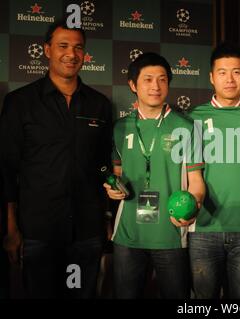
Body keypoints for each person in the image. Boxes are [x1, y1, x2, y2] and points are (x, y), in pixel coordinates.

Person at [0, 20, 112, 298]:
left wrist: (107, 220)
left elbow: (104, 167)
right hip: (38, 231)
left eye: (78, 48)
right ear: (47, 50)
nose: (71, 54)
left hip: (87, 232)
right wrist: (11, 228)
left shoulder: (99, 104)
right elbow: (6, 168)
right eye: (63, 46)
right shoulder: (19, 102)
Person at [104, 52, 205, 299]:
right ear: (132, 85)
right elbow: (117, 174)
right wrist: (112, 189)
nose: (155, 86)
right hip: (128, 236)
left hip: (170, 236)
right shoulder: (120, 128)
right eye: (148, 79)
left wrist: (194, 207)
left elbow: (196, 182)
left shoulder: (186, 127)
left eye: (161, 79)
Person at [187, 43, 240, 299]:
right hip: (205, 230)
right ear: (211, 77)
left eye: (236, 72)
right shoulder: (194, 116)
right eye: (222, 72)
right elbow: (191, 174)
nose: (230, 79)